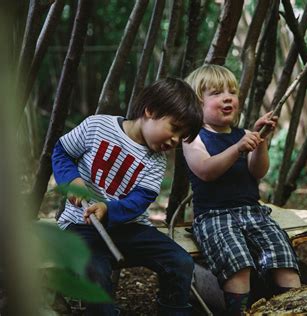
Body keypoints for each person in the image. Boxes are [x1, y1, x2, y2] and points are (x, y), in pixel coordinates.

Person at [51, 78, 203, 316]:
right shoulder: (97, 126)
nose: (175, 141)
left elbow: (140, 201)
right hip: (81, 226)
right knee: (96, 274)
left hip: (129, 229)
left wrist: (108, 209)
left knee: (180, 261)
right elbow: (62, 152)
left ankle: (173, 311)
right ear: (150, 110)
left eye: (181, 137)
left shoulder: (156, 161)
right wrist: (71, 181)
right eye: (174, 128)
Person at [183, 64, 301, 315]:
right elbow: (205, 169)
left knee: (285, 262)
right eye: (216, 93)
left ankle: (296, 310)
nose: (227, 97)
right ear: (196, 104)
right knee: (238, 267)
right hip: (214, 217)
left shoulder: (244, 134)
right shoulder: (193, 138)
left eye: (232, 92)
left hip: (253, 213)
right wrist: (237, 148)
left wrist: (260, 142)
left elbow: (258, 171)